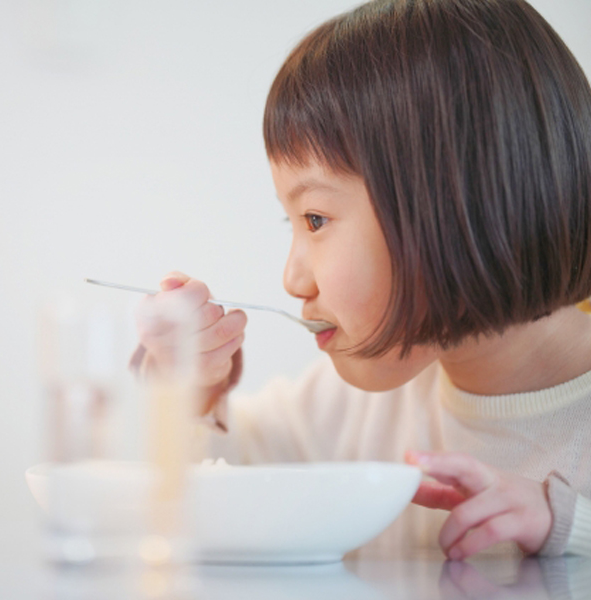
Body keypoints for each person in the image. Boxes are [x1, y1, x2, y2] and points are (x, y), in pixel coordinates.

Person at [132, 0, 591, 560]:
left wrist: (569, 526)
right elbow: (191, 491)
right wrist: (189, 392)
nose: (292, 278)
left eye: (316, 220)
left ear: (456, 203)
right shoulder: (345, 408)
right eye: (293, 222)